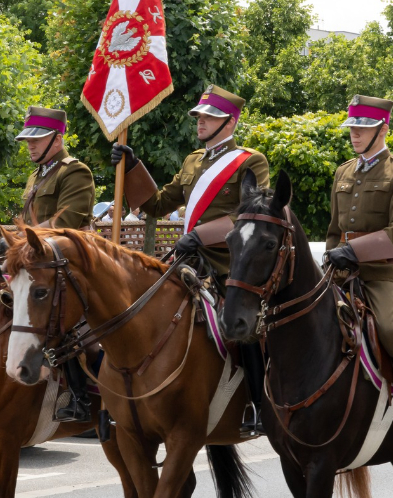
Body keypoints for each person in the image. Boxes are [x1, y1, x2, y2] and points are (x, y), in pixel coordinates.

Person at [111, 85, 269, 436]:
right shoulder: (192, 161)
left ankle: (258, 406)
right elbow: (155, 204)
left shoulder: (250, 161)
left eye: (209, 117)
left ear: (229, 122)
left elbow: (249, 215)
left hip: (229, 265)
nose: (199, 121)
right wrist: (133, 165)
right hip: (186, 261)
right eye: (199, 116)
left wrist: (200, 235)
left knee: (246, 329)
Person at [323, 94, 393, 447]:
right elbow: (333, 229)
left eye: (363, 127)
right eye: (353, 127)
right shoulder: (343, 171)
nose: (355, 134)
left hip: (380, 273)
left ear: (383, 129)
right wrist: (329, 258)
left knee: (388, 330)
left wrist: (352, 250)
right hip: (340, 272)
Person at [16, 106, 97, 422]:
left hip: (71, 262)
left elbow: (67, 221)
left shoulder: (75, 171)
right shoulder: (36, 175)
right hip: (38, 262)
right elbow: (28, 219)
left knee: (65, 325)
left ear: (57, 138)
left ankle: (80, 398)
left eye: (37, 139)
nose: (30, 145)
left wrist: (22, 238)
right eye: (28, 139)